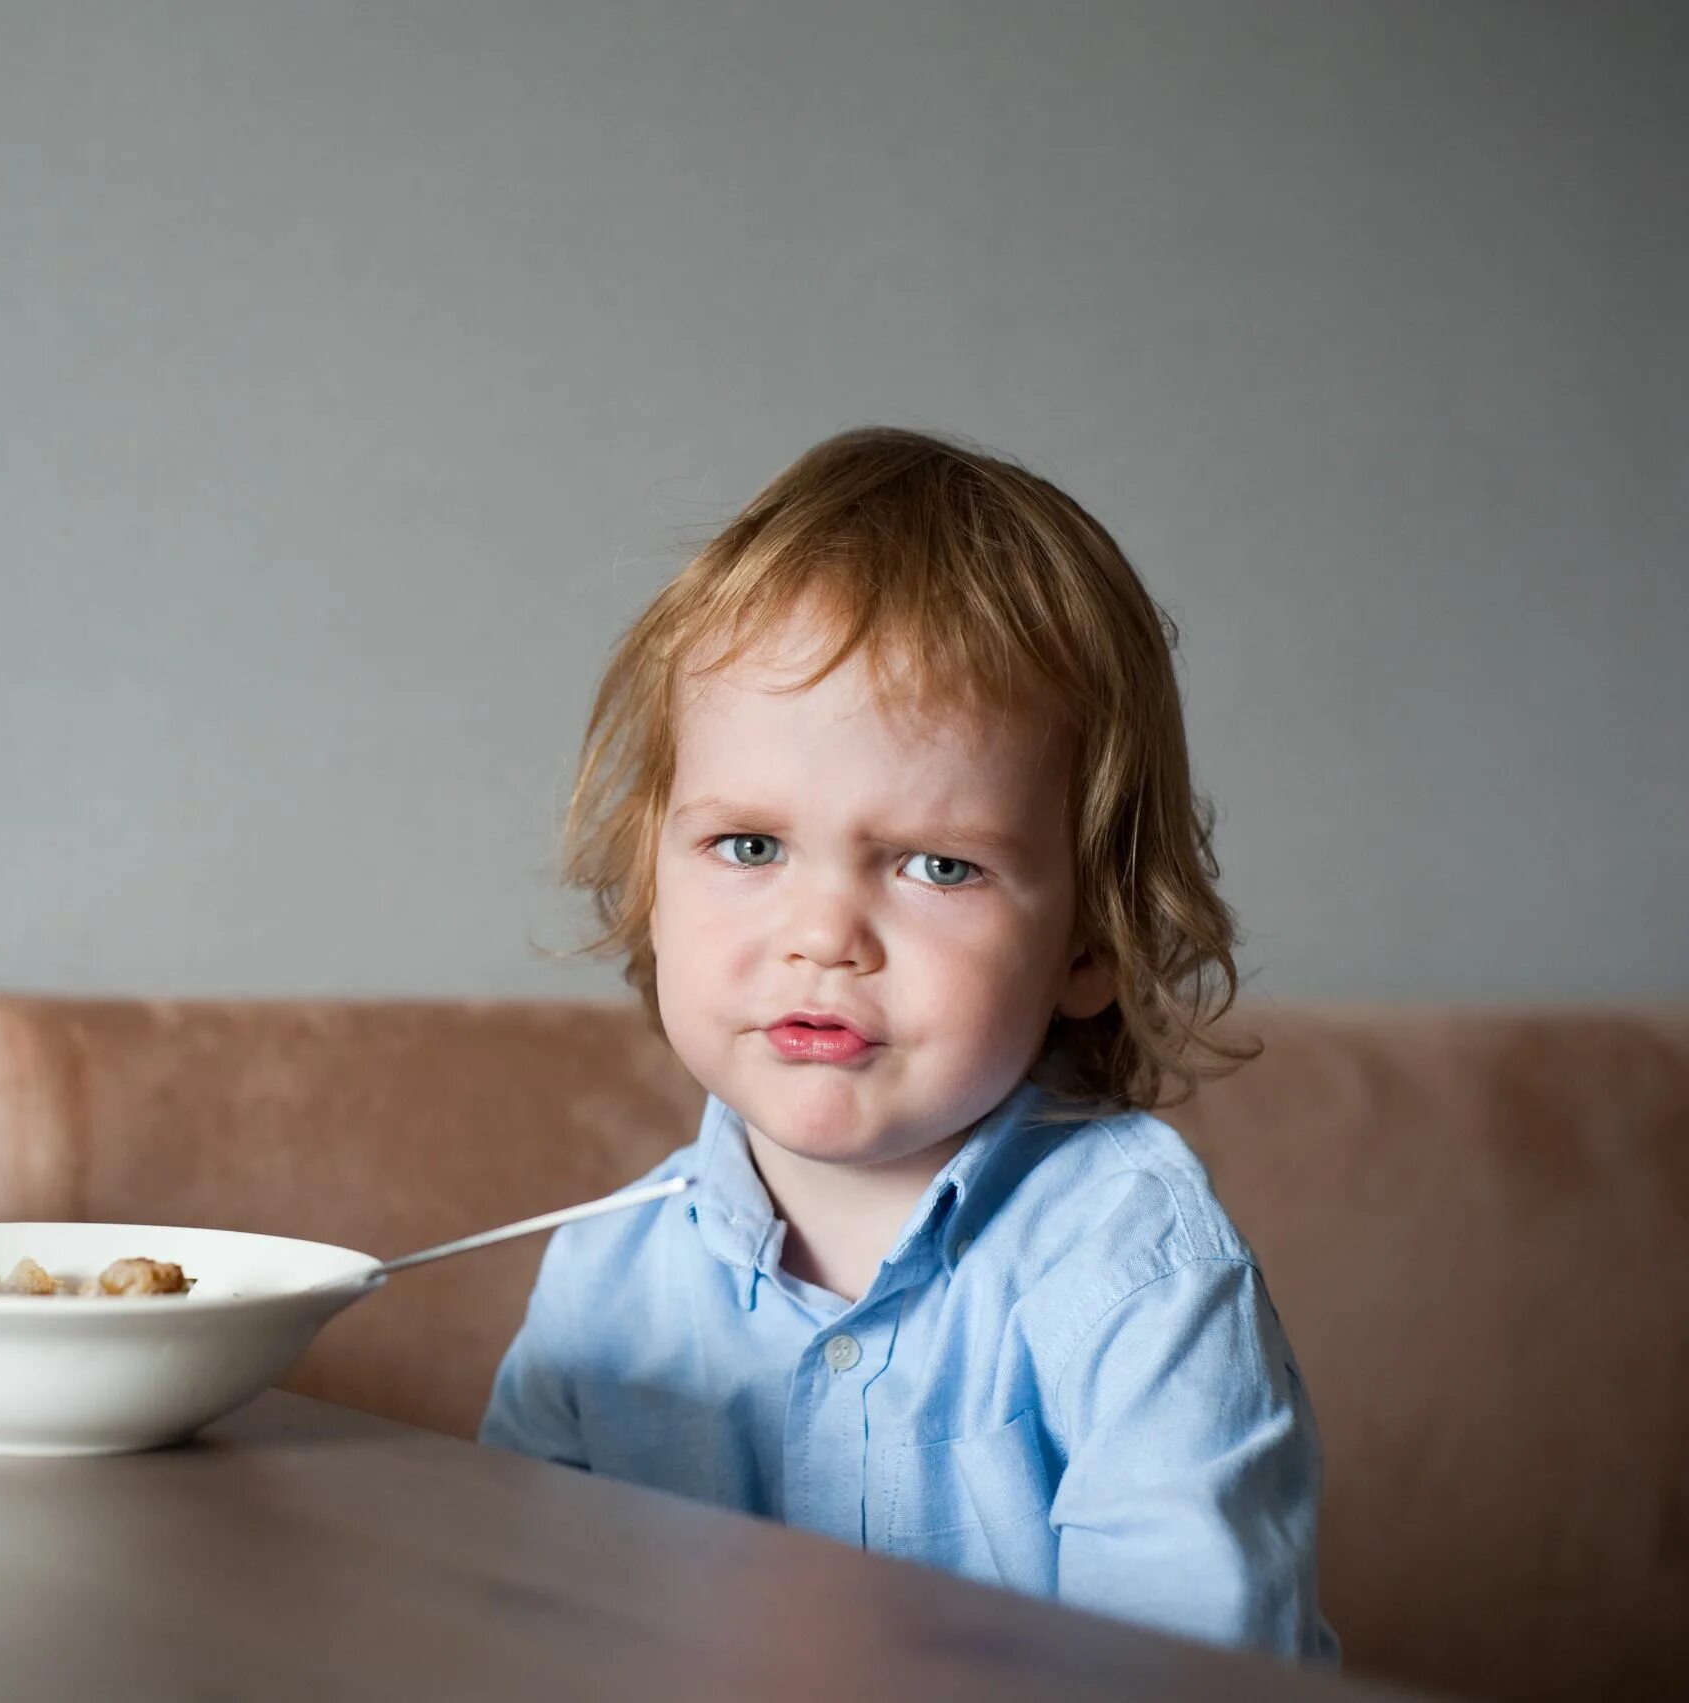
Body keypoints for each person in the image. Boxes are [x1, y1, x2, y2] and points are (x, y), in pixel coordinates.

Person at [480, 426, 1336, 1659]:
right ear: (650, 875)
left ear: (1089, 940)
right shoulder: (603, 1277)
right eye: (750, 846)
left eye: (939, 864)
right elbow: (516, 1642)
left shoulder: (1134, 1272)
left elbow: (1184, 1678)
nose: (823, 934)